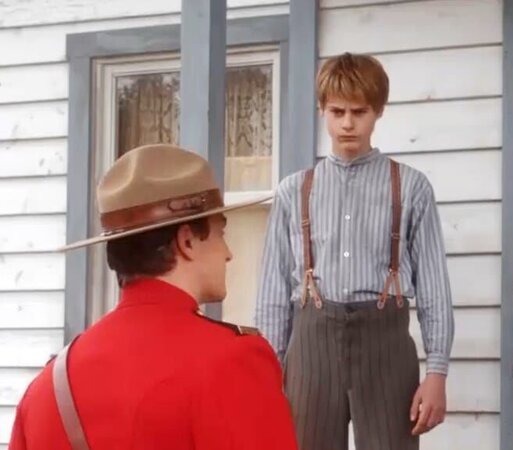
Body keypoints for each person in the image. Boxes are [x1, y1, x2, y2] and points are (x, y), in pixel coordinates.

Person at [9, 144, 297, 450]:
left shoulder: (46, 388)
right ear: (187, 240)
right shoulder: (232, 363)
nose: (228, 253)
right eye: (220, 234)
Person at [256, 52, 454, 450]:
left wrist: (437, 372)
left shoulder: (411, 187)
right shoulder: (294, 191)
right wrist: (269, 373)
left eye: (359, 112)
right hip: (312, 345)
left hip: (385, 345)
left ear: (378, 111)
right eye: (337, 111)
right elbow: (272, 293)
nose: (347, 124)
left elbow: (434, 288)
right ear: (322, 110)